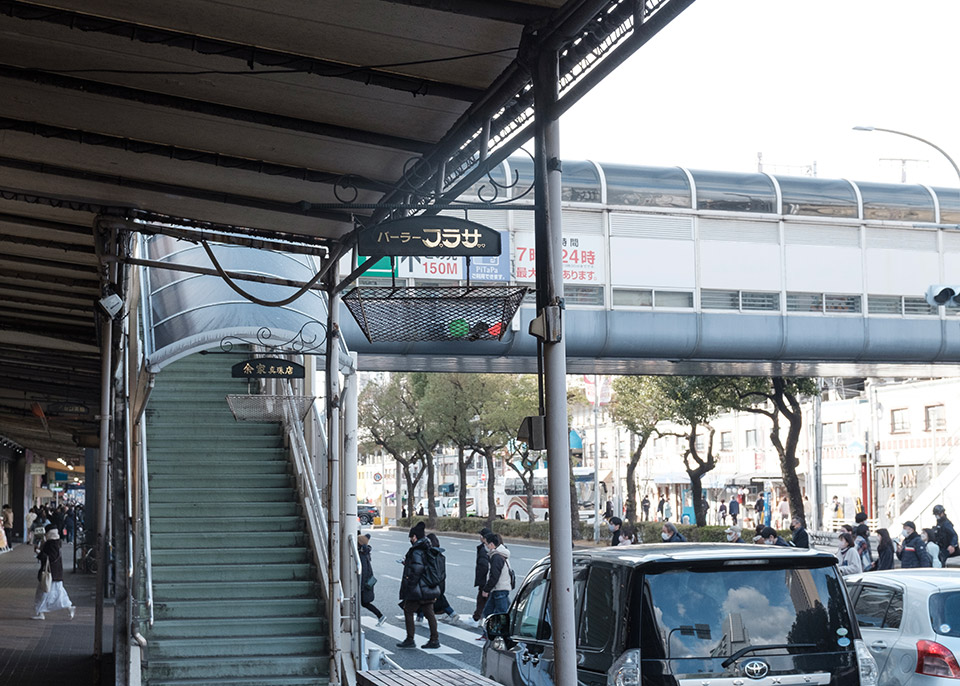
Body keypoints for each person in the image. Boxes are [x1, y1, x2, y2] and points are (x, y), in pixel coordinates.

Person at [396, 521, 441, 649]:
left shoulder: (416, 550)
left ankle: (410, 639)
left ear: (414, 537)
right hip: (428, 587)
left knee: (408, 610)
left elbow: (417, 569)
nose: (410, 539)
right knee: (429, 613)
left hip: (419, 588)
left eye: (411, 537)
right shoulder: (427, 546)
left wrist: (410, 585)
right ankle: (434, 639)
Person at [33, 525, 76, 620]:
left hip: (50, 573)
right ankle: (69, 607)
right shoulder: (56, 542)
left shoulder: (51, 543)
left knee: (44, 593)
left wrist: (39, 553)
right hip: (55, 573)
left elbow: (50, 558)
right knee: (58, 593)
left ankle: (40, 613)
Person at [479, 532, 512, 639]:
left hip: (499, 589)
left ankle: (504, 636)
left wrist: (486, 589)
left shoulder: (496, 556)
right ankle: (489, 634)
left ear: (492, 544)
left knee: (501, 614)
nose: (487, 547)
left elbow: (494, 575)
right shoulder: (501, 554)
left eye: (487, 545)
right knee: (489, 612)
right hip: (499, 588)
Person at [426, 533, 459, 623]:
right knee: (437, 599)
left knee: (426, 599)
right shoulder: (440, 555)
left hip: (434, 582)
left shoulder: (432, 555)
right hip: (440, 581)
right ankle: (451, 614)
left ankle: (452, 614)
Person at [357, 534, 386, 626]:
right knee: (364, 603)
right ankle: (380, 616)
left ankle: (380, 616)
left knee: (364, 602)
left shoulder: (361, 555)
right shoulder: (365, 552)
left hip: (364, 584)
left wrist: (360, 587)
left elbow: (364, 571)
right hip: (366, 583)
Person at [472, 527, 492, 623]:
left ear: (484, 538)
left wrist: (481, 580)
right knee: (483, 598)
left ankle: (480, 617)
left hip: (485, 579)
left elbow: (483, 566)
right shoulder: (489, 548)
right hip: (488, 579)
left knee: (483, 599)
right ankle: (478, 616)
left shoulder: (484, 550)